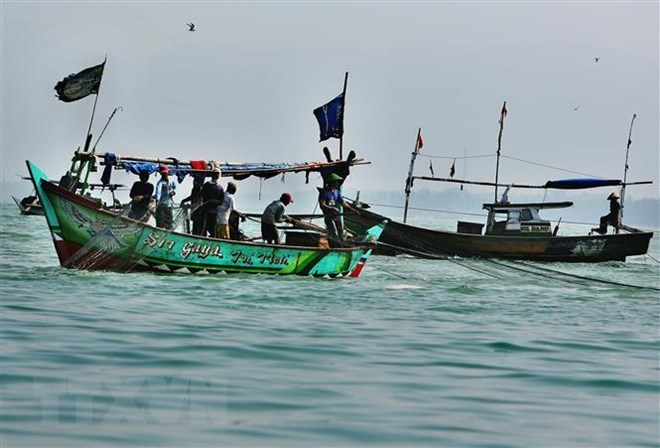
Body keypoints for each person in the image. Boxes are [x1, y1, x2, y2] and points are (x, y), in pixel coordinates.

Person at [318, 173, 357, 241]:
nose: (338, 183)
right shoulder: (324, 192)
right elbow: (322, 205)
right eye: (336, 182)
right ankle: (334, 245)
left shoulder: (336, 192)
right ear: (332, 182)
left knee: (340, 232)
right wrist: (331, 208)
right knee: (333, 232)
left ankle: (341, 245)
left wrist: (352, 210)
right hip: (328, 217)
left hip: (336, 216)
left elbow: (343, 203)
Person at [201, 168, 224, 237]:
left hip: (214, 211)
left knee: (213, 229)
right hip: (206, 210)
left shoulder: (220, 187)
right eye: (215, 173)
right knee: (203, 227)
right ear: (212, 175)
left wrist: (213, 201)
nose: (216, 175)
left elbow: (221, 201)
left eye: (218, 173)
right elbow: (202, 195)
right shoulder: (207, 185)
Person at [154, 165, 177, 229]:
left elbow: (175, 188)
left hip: (169, 205)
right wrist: (157, 201)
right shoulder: (160, 183)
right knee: (160, 224)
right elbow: (158, 192)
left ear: (168, 173)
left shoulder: (171, 181)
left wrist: (173, 192)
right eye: (163, 173)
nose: (164, 175)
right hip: (161, 205)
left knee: (169, 224)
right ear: (161, 174)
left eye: (165, 173)